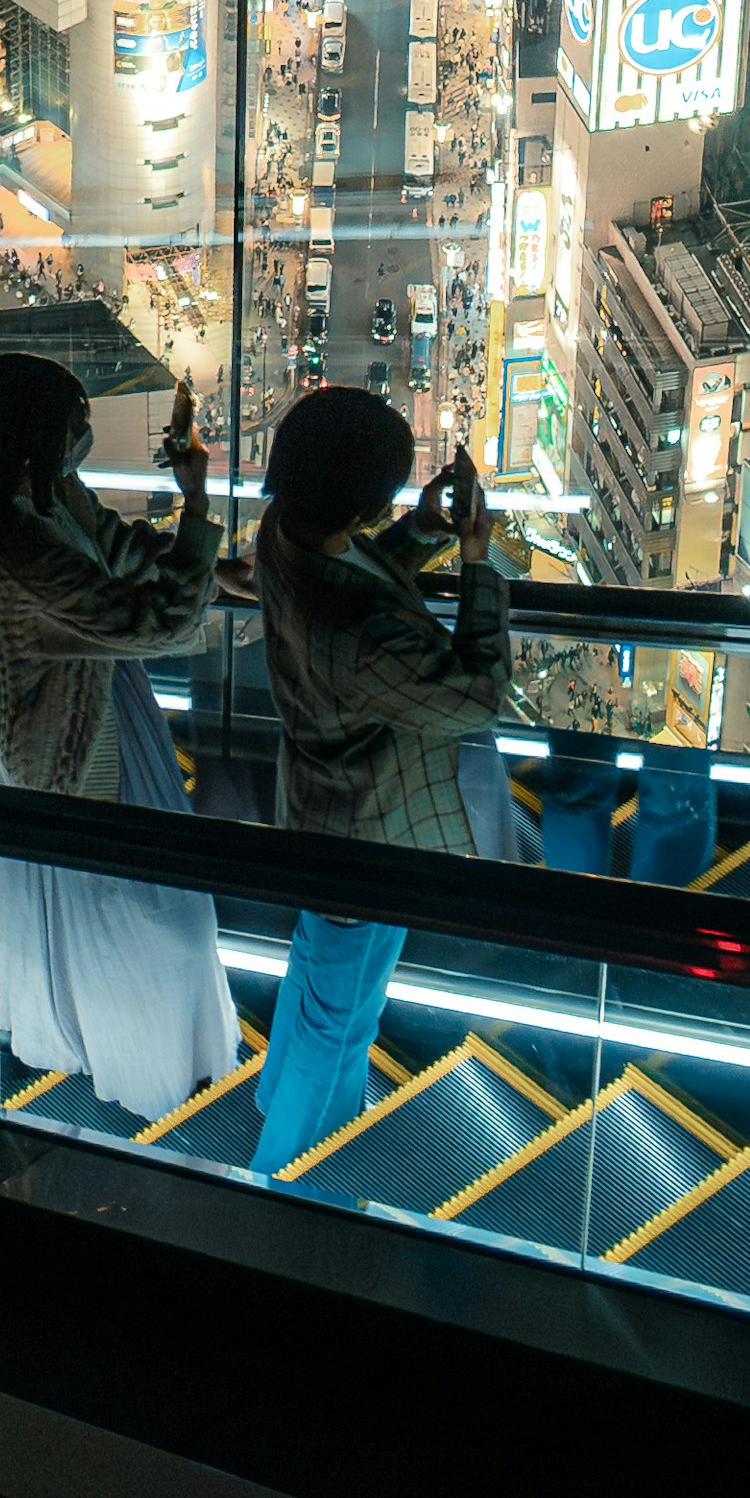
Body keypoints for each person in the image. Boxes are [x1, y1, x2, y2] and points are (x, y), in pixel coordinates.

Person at [243, 391, 517, 1186]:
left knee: (317, 971)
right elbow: (474, 694)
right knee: (344, 1013)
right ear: (362, 498)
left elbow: (356, 579)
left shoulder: (282, 532)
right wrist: (475, 561)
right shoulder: (355, 632)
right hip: (372, 827)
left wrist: (418, 536)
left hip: (317, 801)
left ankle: (276, 1106)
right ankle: (288, 1178)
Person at [0, 352, 237, 1125]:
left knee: (104, 909)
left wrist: (207, 559)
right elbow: (163, 626)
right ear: (32, 445)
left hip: (95, 714)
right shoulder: (21, 550)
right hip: (72, 750)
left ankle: (103, 1047)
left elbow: (114, 548)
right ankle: (146, 1071)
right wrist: (196, 504)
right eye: (74, 429)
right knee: (156, 919)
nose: (84, 440)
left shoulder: (30, 493)